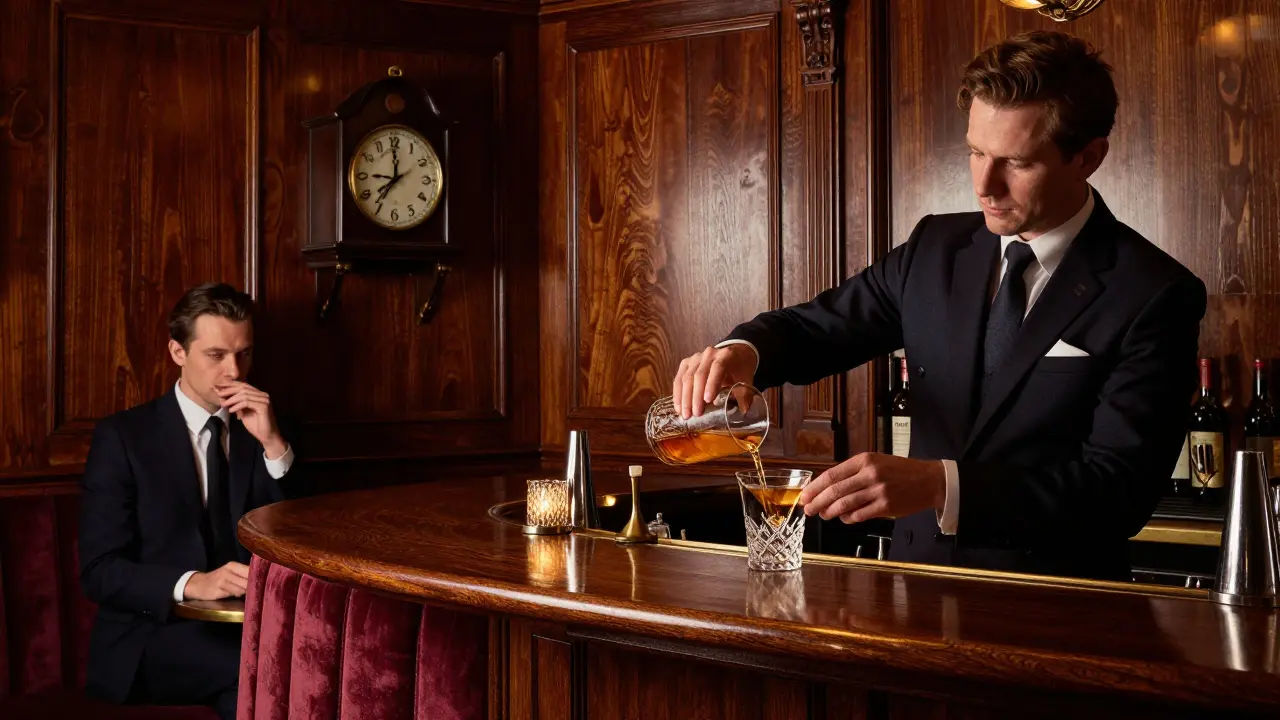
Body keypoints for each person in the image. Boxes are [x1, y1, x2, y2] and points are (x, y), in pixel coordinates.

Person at [672, 31, 1206, 581]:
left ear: (1088, 158)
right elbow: (820, 328)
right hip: (915, 591)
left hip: (1057, 611)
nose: (984, 185)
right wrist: (744, 351)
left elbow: (1117, 491)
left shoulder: (1154, 292)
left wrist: (939, 484)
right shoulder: (935, 248)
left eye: (1016, 163)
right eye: (975, 152)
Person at [79, 283, 297, 718]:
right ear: (177, 352)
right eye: (216, 355)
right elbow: (98, 572)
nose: (234, 371)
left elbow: (299, 537)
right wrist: (193, 582)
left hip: (243, 630)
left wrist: (274, 445)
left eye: (244, 353)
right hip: (149, 636)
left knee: (253, 690)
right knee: (266, 671)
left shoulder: (268, 425)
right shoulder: (123, 438)